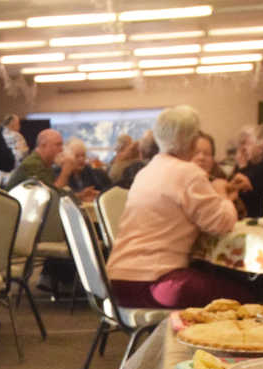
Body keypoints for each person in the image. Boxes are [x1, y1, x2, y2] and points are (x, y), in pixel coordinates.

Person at [106, 106, 252, 308]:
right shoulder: (188, 173)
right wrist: (222, 194)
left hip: (117, 282)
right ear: (193, 141)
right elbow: (222, 224)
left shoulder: (146, 171)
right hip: (155, 284)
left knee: (208, 280)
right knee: (249, 295)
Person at [3, 128, 70, 191]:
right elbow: (50, 197)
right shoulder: (32, 164)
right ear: (43, 145)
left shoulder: (46, 163)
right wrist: (65, 171)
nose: (61, 149)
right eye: (58, 145)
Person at [0, 113, 28, 186]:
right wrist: (26, 149)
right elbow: (20, 154)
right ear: (12, 123)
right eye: (18, 123)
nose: (19, 126)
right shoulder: (17, 136)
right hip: (13, 173)